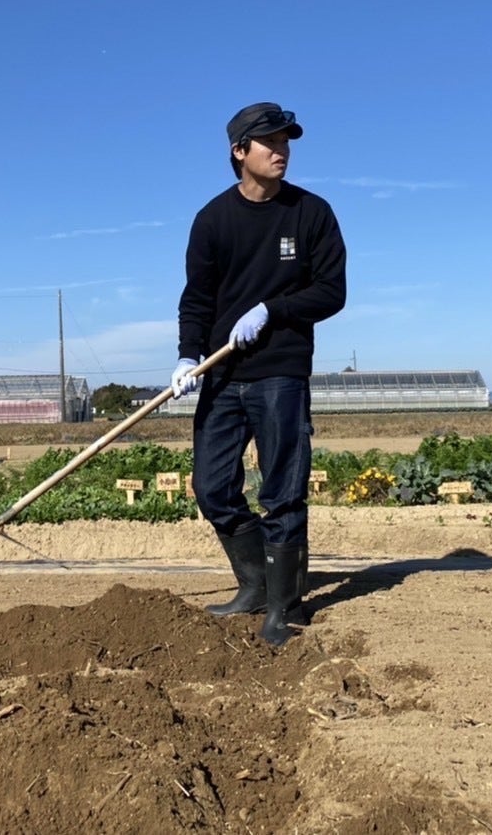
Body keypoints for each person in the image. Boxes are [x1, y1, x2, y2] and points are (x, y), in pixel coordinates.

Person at [171, 102, 347, 646]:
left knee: (283, 492)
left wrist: (273, 309)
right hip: (223, 374)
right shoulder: (212, 220)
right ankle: (255, 586)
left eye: (286, 141)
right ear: (239, 151)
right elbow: (197, 299)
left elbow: (331, 292)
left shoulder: (311, 213)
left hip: (281, 372)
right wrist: (187, 355)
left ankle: (286, 608)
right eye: (270, 142)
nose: (282, 150)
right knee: (212, 488)